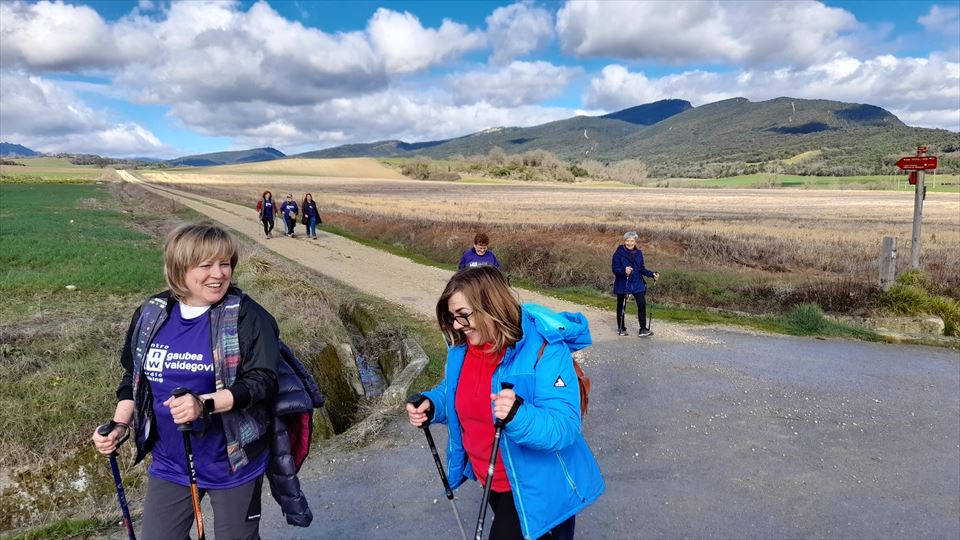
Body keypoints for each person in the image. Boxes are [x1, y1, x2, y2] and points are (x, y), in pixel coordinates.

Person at [91, 222, 280, 540]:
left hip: (232, 461)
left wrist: (203, 404)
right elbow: (133, 378)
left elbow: (262, 382)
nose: (218, 274)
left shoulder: (247, 316)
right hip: (171, 461)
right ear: (180, 269)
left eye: (224, 264)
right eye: (205, 265)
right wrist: (120, 424)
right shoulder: (151, 313)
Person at [406, 266, 604, 539]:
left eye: (463, 316)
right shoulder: (463, 348)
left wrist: (518, 416)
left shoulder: (546, 349)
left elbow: (565, 425)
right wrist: (433, 404)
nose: (456, 326)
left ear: (490, 307)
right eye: (452, 318)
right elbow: (457, 391)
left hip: (539, 487)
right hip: (492, 481)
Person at [611, 230, 659, 337]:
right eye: (628, 241)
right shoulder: (618, 254)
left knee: (641, 305)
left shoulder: (639, 253)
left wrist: (652, 274)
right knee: (621, 306)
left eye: (632, 241)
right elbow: (615, 269)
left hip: (637, 282)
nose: (630, 243)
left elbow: (641, 269)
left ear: (635, 242)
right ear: (625, 241)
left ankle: (643, 329)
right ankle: (621, 328)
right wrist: (624, 270)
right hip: (623, 282)